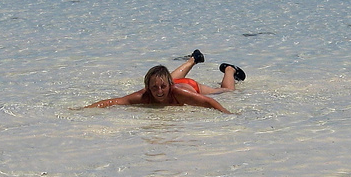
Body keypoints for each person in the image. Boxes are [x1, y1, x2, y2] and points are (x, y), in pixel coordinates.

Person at [85, 49, 246, 113]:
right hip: (172, 80)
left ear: (169, 86)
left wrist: (228, 115)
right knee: (161, 77)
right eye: (154, 88)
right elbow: (114, 102)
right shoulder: (146, 94)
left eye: (162, 87)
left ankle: (230, 70)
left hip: (190, 86)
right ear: (147, 87)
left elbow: (209, 102)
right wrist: (85, 109)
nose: (159, 92)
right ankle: (193, 59)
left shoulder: (179, 93)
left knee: (226, 91)